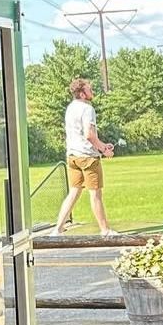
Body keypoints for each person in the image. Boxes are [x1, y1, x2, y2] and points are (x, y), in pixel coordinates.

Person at [54, 77, 117, 236]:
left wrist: (102, 144)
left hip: (73, 156)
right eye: (89, 89)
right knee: (95, 194)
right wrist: (104, 149)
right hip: (88, 158)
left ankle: (58, 229)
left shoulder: (70, 108)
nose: (92, 92)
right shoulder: (87, 109)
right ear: (82, 94)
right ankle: (105, 230)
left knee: (74, 192)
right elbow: (89, 135)